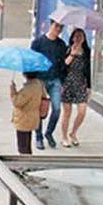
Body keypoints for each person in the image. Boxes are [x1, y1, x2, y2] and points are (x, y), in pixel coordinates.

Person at [30, 19, 69, 149]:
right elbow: (32, 61)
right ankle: (38, 137)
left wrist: (63, 82)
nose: (58, 29)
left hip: (55, 80)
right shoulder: (38, 43)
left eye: (61, 27)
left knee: (57, 109)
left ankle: (49, 133)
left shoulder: (62, 45)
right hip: (40, 80)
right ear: (50, 25)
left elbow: (63, 66)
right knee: (39, 110)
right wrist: (32, 80)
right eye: (56, 26)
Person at [60, 27, 92, 145]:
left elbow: (88, 70)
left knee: (82, 111)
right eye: (76, 36)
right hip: (67, 83)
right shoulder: (67, 49)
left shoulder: (86, 51)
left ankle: (73, 133)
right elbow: (63, 67)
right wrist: (72, 55)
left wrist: (89, 87)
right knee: (67, 112)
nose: (78, 38)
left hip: (81, 83)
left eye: (81, 36)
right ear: (72, 38)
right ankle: (64, 137)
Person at [9, 70, 49, 156]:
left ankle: (24, 165)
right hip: (33, 117)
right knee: (27, 143)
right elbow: (44, 97)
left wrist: (13, 92)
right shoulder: (39, 84)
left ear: (25, 74)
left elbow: (17, 103)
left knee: (22, 145)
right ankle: (29, 159)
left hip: (23, 119)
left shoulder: (28, 89)